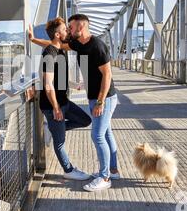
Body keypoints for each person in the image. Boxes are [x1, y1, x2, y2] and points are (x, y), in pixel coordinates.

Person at [29, 14, 119, 192]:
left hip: (104, 98)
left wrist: (100, 102)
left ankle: (105, 177)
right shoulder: (77, 44)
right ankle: (112, 170)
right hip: (89, 98)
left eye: (70, 27)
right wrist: (33, 40)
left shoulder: (97, 46)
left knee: (98, 135)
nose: (68, 30)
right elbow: (54, 46)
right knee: (106, 133)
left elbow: (107, 75)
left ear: (81, 26)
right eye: (66, 28)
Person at [37, 17, 92, 181]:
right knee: (60, 142)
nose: (68, 30)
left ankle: (54, 129)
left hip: (64, 102)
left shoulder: (60, 49)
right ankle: (68, 170)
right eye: (64, 29)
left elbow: (59, 79)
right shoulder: (50, 53)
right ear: (57, 34)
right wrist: (55, 108)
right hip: (52, 106)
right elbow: (47, 84)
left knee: (85, 120)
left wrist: (74, 85)